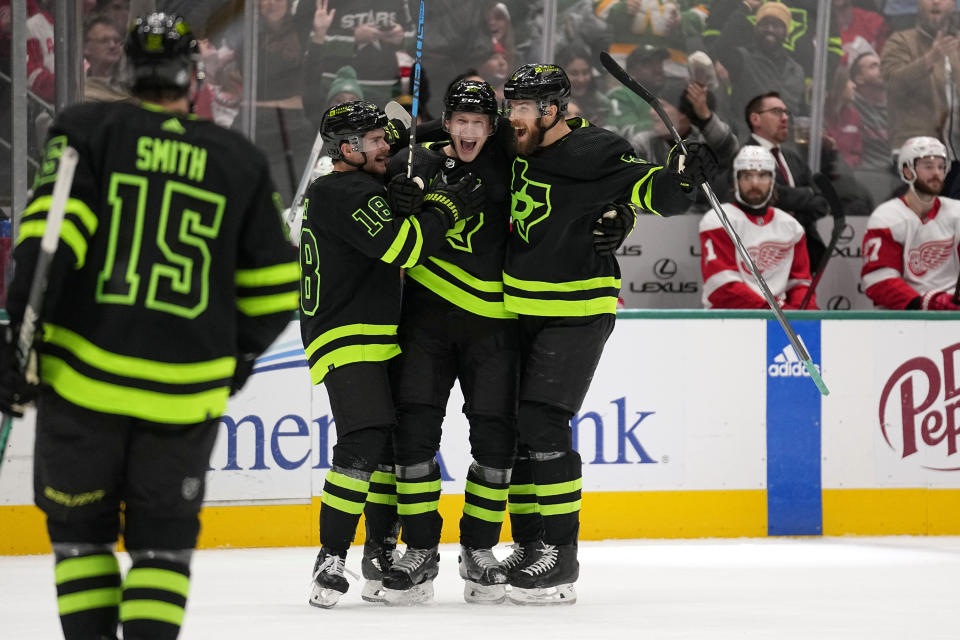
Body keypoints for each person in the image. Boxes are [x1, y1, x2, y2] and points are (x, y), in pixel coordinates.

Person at [0, 13, 300, 640]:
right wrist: (229, 363)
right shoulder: (238, 159)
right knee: (162, 553)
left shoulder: (86, 128)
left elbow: (50, 242)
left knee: (81, 544)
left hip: (83, 385)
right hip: (184, 394)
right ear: (192, 79)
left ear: (128, 72)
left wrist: (18, 341)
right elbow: (276, 290)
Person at [499, 63, 717, 605]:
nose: (513, 117)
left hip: (576, 308)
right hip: (517, 308)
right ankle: (531, 546)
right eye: (512, 107)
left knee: (543, 422)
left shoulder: (596, 149)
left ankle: (560, 556)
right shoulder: (512, 146)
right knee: (520, 429)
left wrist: (684, 174)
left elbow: (655, 193)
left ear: (552, 110)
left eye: (523, 108)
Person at [301, 100, 485, 608]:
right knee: (365, 439)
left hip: (370, 331)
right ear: (346, 149)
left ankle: (379, 550)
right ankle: (330, 556)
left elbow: (400, 164)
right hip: (346, 331)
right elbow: (403, 248)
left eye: (386, 137)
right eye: (376, 140)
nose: (387, 146)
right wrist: (442, 207)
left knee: (381, 448)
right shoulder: (342, 189)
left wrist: (413, 179)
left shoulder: (356, 183)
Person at [380, 79, 519, 606]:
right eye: (458, 121)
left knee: (496, 445)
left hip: (492, 326)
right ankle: (419, 550)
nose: (467, 132)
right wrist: (393, 192)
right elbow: (367, 187)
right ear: (447, 121)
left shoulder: (507, 158)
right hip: (425, 324)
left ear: (492, 126)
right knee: (413, 441)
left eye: (478, 123)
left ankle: (479, 552)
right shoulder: (412, 163)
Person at [700, 145, 817, 309]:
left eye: (762, 176)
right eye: (747, 176)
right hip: (730, 323)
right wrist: (780, 311)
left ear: (772, 180)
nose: (754, 184)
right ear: (736, 180)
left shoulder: (791, 226)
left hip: (780, 320)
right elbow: (721, 287)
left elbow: (799, 283)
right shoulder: (718, 219)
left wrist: (804, 316)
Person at [861, 136, 960, 310]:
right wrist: (926, 303)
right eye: (928, 166)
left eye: (941, 166)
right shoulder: (887, 216)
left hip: (953, 314)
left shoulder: (956, 213)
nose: (937, 173)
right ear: (907, 171)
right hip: (904, 317)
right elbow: (879, 280)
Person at [742, 91, 831, 267]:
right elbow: (768, 197)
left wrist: (793, 216)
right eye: (776, 112)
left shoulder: (793, 158)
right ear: (755, 119)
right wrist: (807, 194)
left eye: (786, 112)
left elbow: (822, 202)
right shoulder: (744, 157)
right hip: (763, 255)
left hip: (803, 254)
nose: (784, 118)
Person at [881, 0, 960, 155]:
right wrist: (930, 58)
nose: (935, 2)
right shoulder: (901, 41)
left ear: (954, 4)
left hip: (955, 152)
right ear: (918, 4)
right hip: (914, 149)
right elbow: (891, 84)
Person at [713, 1, 807, 128]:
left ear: (786, 32)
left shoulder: (797, 71)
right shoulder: (743, 59)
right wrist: (745, 8)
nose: (770, 29)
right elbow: (721, 48)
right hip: (749, 140)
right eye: (765, 23)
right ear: (756, 28)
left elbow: (802, 113)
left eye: (777, 25)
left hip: (784, 143)